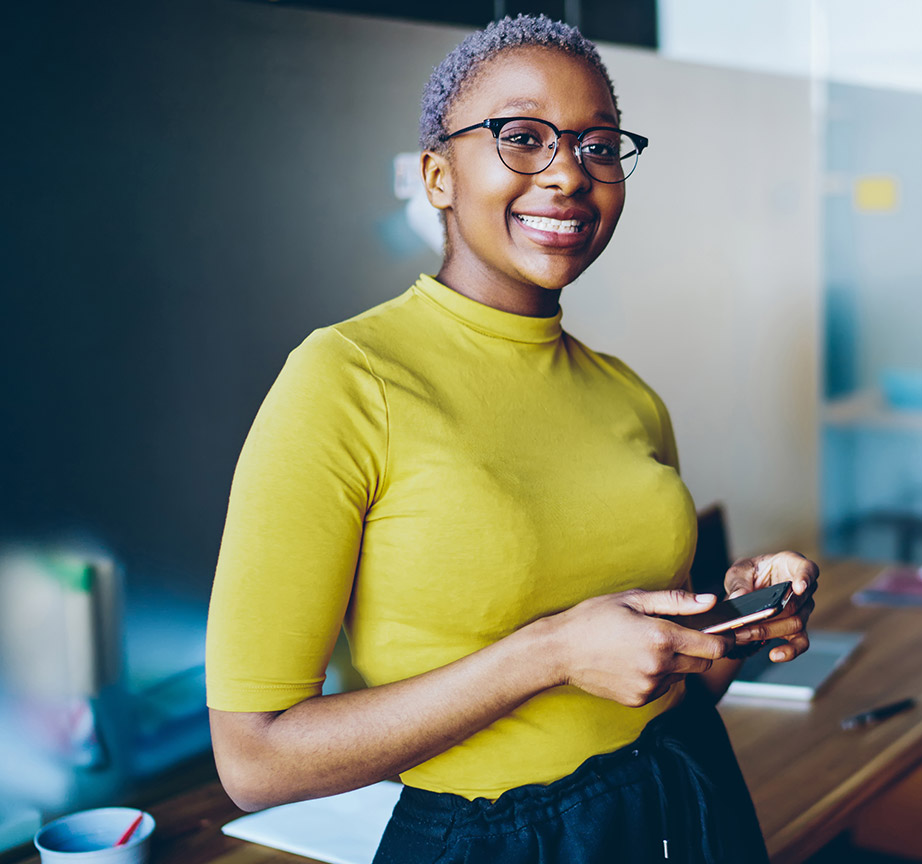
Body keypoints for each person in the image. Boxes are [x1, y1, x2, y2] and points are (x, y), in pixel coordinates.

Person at [204, 16, 816, 864]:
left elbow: (673, 684)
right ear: (438, 175)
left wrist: (738, 624)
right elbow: (255, 760)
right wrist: (550, 652)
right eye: (522, 137)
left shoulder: (628, 395)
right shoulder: (344, 380)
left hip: (684, 797)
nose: (569, 173)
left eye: (600, 147)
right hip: (493, 840)